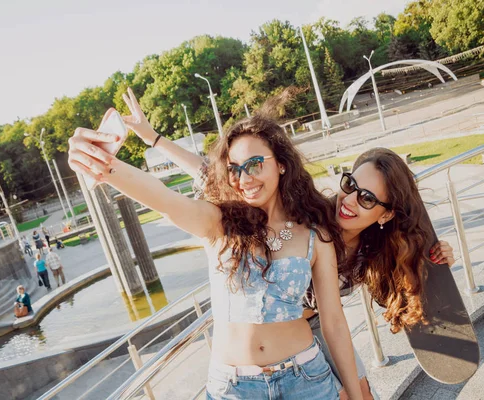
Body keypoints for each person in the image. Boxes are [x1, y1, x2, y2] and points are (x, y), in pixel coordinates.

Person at [124, 108, 455, 399]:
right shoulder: (312, 217)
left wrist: (437, 256)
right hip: (283, 335)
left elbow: (351, 312)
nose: (350, 200)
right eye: (350, 185)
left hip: (319, 332)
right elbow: (216, 173)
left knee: (363, 394)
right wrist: (154, 138)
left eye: (367, 198)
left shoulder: (376, 248)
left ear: (384, 214)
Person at [67, 88, 363, 400]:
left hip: (306, 379)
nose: (244, 178)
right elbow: (164, 200)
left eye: (255, 164)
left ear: (281, 164)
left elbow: (334, 323)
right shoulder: (219, 223)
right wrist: (103, 165)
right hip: (233, 389)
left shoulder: (315, 235)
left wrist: (356, 396)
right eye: (235, 169)